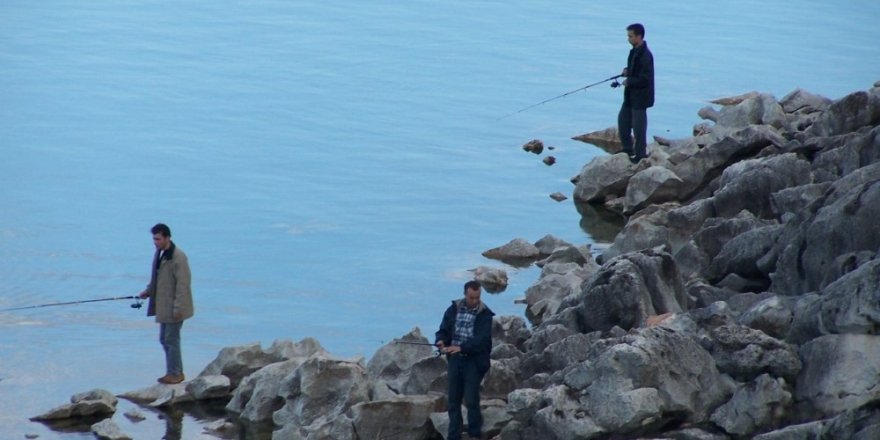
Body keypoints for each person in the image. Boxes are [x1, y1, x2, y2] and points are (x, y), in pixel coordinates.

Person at [435, 280, 495, 440]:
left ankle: (475, 434)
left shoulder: (485, 315)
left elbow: (482, 340)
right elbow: (443, 330)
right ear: (465, 294)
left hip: (474, 362)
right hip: (455, 360)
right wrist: (441, 340)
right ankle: (454, 435)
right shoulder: (453, 309)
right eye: (472, 298)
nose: (475, 301)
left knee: (471, 399)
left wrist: (461, 347)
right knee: (453, 400)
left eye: (477, 297)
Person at [138, 223, 193, 385]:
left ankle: (175, 373)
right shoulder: (160, 254)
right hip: (164, 306)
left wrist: (178, 308)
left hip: (175, 308)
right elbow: (158, 278)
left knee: (171, 339)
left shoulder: (178, 257)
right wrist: (148, 291)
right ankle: (173, 371)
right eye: (154, 239)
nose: (155, 242)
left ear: (167, 238)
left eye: (158, 239)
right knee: (164, 339)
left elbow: (183, 285)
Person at [616, 23, 655, 163]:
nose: (628, 39)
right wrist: (627, 71)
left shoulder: (646, 55)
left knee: (639, 128)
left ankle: (640, 155)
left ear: (639, 36)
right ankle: (627, 149)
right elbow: (635, 70)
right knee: (622, 121)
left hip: (641, 98)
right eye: (628, 36)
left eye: (630, 36)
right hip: (630, 96)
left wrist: (629, 81)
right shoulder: (634, 51)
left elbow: (645, 79)